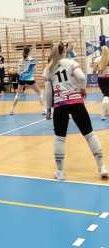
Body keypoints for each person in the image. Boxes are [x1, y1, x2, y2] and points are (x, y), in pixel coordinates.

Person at [44, 42, 108, 180]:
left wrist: (48, 109)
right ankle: (102, 166)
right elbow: (82, 77)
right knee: (89, 134)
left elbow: (48, 92)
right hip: (76, 102)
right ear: (65, 51)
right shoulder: (71, 63)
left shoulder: (49, 68)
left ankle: (60, 172)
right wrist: (82, 88)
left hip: (60, 105)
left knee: (59, 138)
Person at [9, 46, 44, 115]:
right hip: (30, 79)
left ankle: (12, 110)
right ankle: (44, 110)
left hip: (22, 79)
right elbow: (34, 70)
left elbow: (19, 72)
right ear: (29, 52)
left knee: (17, 94)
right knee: (40, 93)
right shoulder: (32, 60)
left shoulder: (20, 60)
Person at [93, 46, 109, 120]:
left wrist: (99, 69)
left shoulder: (97, 59)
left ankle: (106, 112)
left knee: (106, 94)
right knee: (106, 95)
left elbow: (94, 71)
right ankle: (103, 114)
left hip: (101, 80)